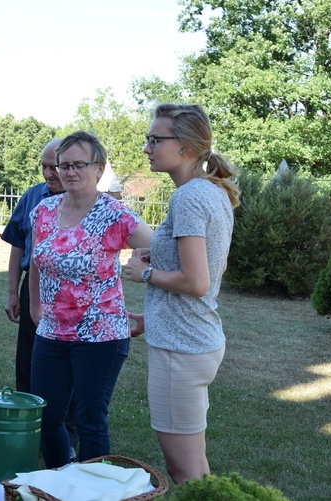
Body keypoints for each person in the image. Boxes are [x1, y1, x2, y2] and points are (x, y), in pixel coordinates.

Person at [124, 103, 240, 485]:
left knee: (184, 471)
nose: (147, 147)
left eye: (155, 140)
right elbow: (215, 266)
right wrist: (152, 315)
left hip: (182, 349)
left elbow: (196, 282)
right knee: (196, 468)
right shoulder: (214, 192)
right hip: (193, 341)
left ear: (185, 147)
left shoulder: (188, 196)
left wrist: (145, 272)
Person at [28, 131, 152, 468]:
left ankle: (93, 491)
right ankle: (58, 482)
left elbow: (163, 250)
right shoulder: (43, 211)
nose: (69, 172)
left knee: (90, 420)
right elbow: (38, 261)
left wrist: (144, 269)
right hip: (51, 334)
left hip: (101, 336)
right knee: (46, 419)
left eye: (79, 164)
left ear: (98, 168)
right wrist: (35, 308)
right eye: (63, 165)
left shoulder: (115, 215)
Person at [1, 138, 79, 457]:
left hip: (71, 294)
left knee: (69, 361)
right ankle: (29, 425)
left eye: (54, 166)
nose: (48, 172)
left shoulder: (84, 200)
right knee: (29, 360)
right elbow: (18, 245)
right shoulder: (33, 196)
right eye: (44, 166)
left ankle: (68, 434)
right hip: (32, 289)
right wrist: (12, 292)